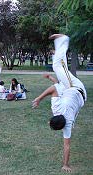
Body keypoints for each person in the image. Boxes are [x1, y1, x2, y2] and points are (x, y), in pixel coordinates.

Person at [32, 34, 87, 173]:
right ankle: (63, 40)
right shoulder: (57, 108)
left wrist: (66, 164)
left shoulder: (66, 124)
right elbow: (53, 89)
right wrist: (38, 99)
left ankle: (59, 48)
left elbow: (67, 146)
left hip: (76, 96)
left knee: (59, 67)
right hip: (75, 87)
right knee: (58, 66)